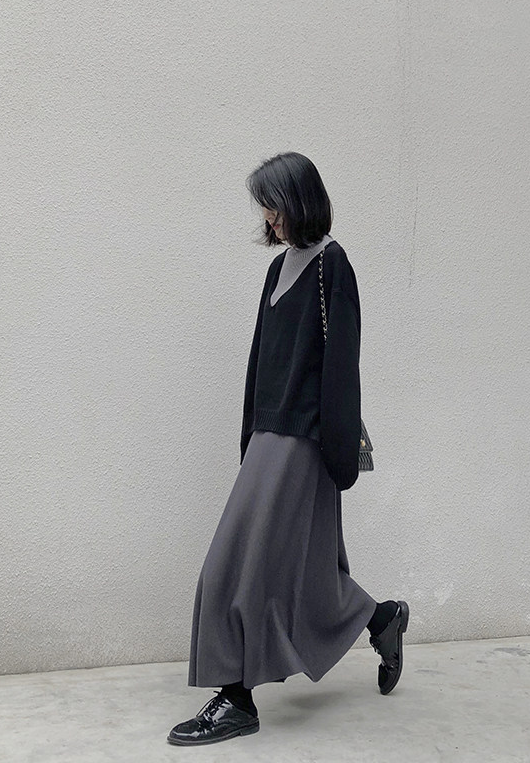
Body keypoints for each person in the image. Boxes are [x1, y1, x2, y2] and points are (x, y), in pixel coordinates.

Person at [167, 152, 409, 747]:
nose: (268, 218)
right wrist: (249, 433)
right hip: (269, 435)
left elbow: (342, 364)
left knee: (240, 565)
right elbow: (261, 360)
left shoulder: (333, 264)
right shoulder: (278, 268)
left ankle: (236, 699)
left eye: (273, 205)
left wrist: (338, 453)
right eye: (264, 208)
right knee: (304, 574)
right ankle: (383, 618)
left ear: (299, 201)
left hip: (305, 439)